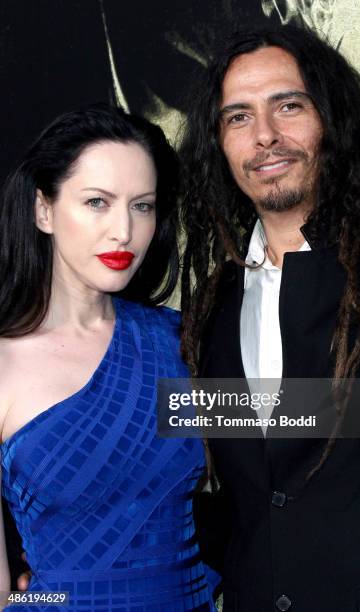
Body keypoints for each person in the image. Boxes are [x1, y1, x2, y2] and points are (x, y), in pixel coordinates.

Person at [180, 25, 360, 612]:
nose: (265, 137)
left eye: (288, 106)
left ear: (330, 119)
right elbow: (249, 498)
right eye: (238, 117)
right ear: (219, 143)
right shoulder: (211, 311)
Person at [0, 103, 217, 611]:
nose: (124, 230)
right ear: (43, 210)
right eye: (98, 202)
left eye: (142, 205)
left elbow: (295, 420)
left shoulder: (178, 342)